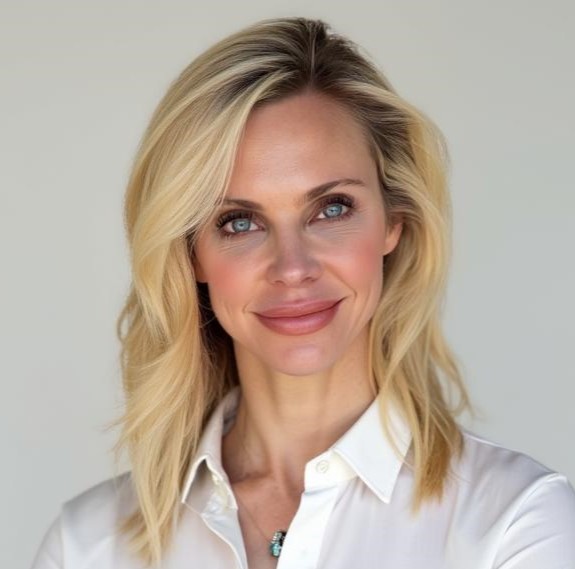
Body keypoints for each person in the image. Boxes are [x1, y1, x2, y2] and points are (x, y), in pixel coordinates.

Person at [31, 16, 575, 569]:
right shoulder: (88, 546)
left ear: (393, 221)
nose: (293, 268)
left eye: (331, 209)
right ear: (191, 253)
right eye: (239, 222)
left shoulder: (515, 523)